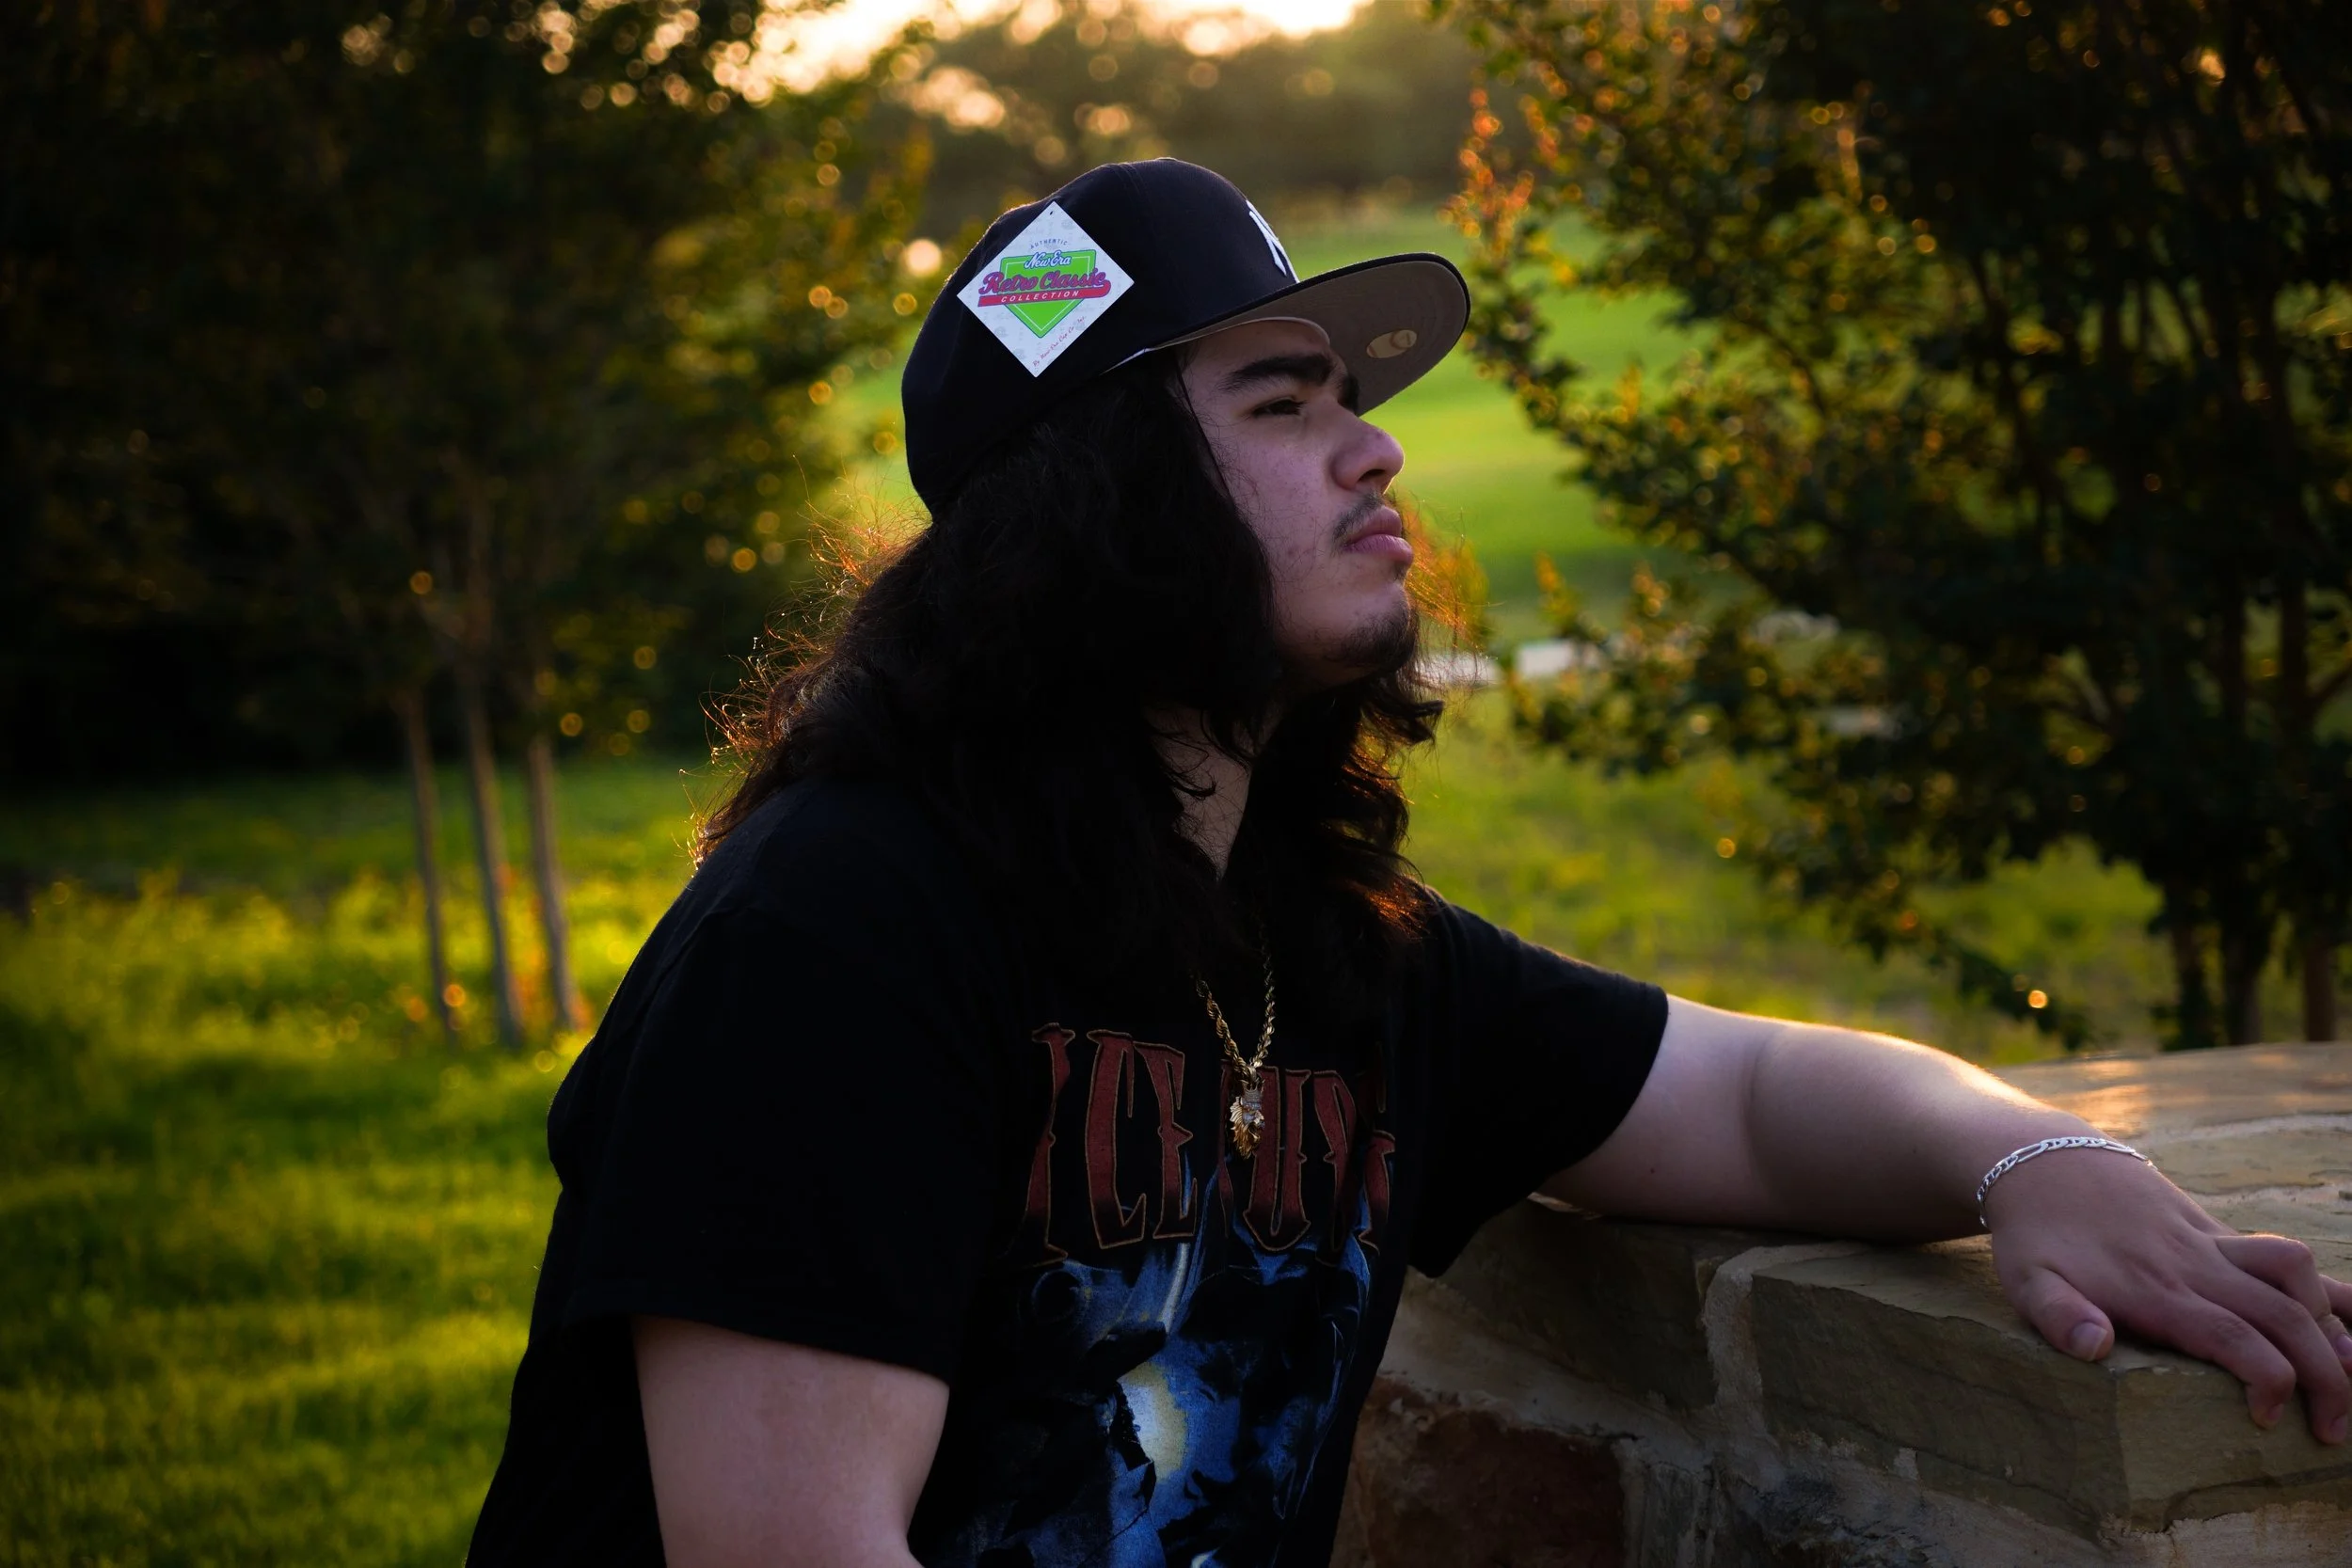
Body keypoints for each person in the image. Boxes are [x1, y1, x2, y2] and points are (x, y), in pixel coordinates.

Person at [467, 160, 2352, 1568]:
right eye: (1282, 405)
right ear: (1090, 501)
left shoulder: (1316, 947)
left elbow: (1754, 1090)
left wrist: (2036, 1157)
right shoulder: (843, 932)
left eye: (1348, 400)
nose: (1373, 456)